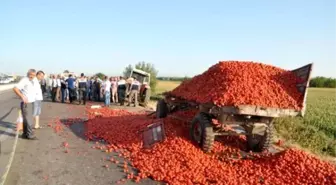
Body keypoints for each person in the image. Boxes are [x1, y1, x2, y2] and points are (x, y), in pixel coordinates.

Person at [13, 69, 37, 140]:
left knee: (27, 119)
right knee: (29, 120)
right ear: (28, 74)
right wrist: (22, 96)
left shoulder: (32, 80)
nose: (32, 76)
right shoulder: (25, 80)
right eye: (31, 75)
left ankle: (25, 134)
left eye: (34, 75)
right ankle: (30, 135)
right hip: (26, 103)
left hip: (31, 102)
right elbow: (15, 88)